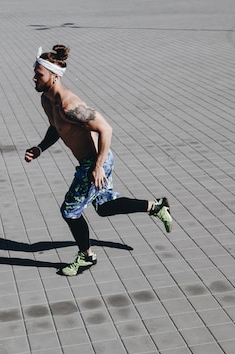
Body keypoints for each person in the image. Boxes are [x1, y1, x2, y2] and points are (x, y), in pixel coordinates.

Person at [25, 45, 172, 276]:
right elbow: (57, 128)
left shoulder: (71, 106)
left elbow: (106, 129)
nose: (33, 77)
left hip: (94, 163)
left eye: (38, 74)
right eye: (34, 72)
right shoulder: (47, 100)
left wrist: (98, 166)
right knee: (104, 207)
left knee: (70, 211)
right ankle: (156, 207)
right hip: (92, 163)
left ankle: (86, 257)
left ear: (54, 77)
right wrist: (40, 148)